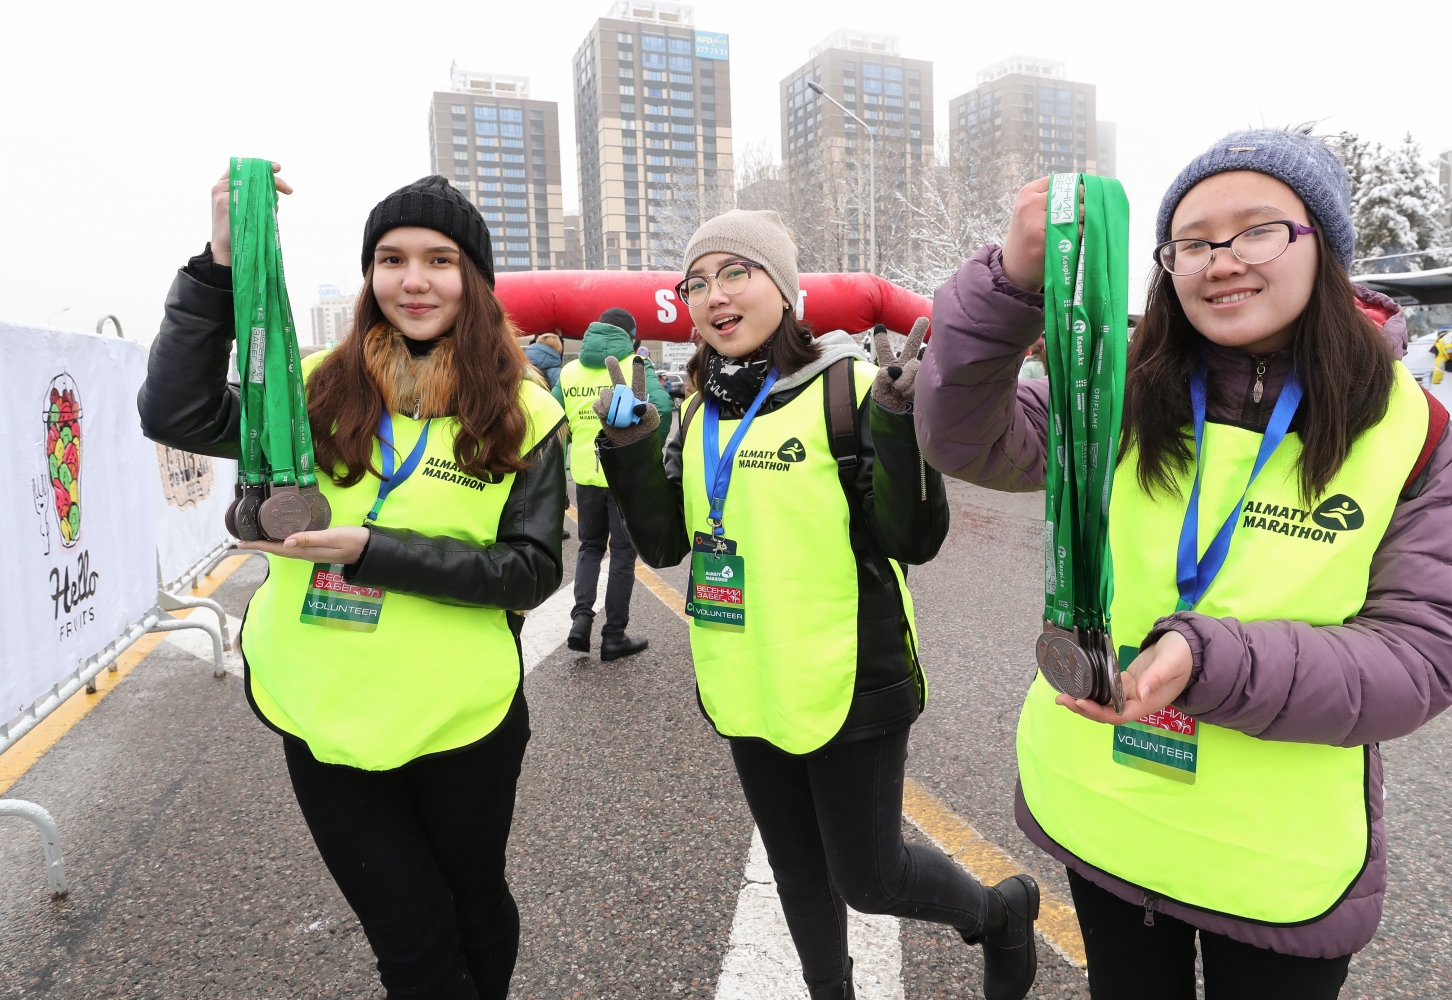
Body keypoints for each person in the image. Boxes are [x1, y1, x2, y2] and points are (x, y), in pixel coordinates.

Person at [914, 130, 1452, 998]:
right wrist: (1010, 288)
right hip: (1104, 813)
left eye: (1258, 230)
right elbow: (964, 437)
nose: (1222, 260)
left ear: (1324, 247)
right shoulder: (1116, 390)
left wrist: (1207, 659)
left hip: (1277, 864)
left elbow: (1422, 656)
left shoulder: (1411, 428)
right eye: (1193, 241)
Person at [138, 170, 567, 1000]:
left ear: (475, 280)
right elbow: (176, 414)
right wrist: (221, 265)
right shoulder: (310, 388)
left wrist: (374, 551)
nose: (414, 280)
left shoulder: (525, 410)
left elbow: (531, 571)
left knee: (475, 906)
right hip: (321, 709)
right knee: (413, 937)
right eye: (391, 259)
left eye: (440, 260)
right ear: (370, 276)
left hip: (463, 716)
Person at [595, 209, 1042, 1000]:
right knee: (797, 869)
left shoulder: (853, 389)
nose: (715, 294)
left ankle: (999, 914)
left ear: (783, 288)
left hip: (851, 678)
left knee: (870, 878)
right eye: (697, 282)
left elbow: (912, 538)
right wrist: (629, 449)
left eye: (737, 272)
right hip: (745, 677)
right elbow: (663, 546)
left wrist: (899, 427)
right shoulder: (697, 411)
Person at [552, 308, 670, 659]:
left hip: (585, 474)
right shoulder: (635, 364)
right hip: (624, 475)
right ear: (630, 337)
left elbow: (553, 421)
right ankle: (614, 636)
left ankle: (581, 619)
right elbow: (663, 406)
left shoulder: (570, 371)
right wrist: (646, 451)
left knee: (590, 547)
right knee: (622, 554)